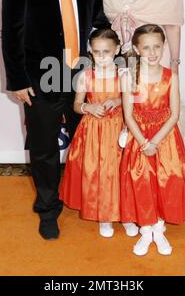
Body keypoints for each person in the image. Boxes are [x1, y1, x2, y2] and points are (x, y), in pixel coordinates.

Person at [1, 0, 109, 240]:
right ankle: (48, 209)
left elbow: (97, 20)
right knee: (45, 150)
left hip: (81, 76)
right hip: (39, 78)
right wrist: (17, 80)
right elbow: (12, 28)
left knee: (88, 144)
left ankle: (92, 202)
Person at [120, 24, 185, 256]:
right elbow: (128, 115)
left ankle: (158, 228)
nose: (152, 52)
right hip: (139, 138)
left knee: (165, 182)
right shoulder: (129, 78)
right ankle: (146, 230)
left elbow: (174, 114)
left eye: (157, 47)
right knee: (141, 182)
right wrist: (143, 143)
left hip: (165, 139)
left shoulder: (171, 77)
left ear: (164, 47)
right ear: (136, 49)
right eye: (147, 47)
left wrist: (155, 142)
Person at [59, 28, 138, 238]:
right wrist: (88, 108)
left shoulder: (124, 74)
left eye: (106, 51)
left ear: (117, 50)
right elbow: (76, 104)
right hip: (93, 131)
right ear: (91, 52)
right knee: (99, 173)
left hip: (120, 128)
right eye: (96, 52)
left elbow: (135, 100)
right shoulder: (86, 76)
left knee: (122, 172)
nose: (101, 57)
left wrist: (118, 100)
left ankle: (127, 215)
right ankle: (104, 216)